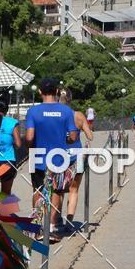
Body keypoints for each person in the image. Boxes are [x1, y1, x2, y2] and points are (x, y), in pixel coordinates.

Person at [25, 77, 79, 243]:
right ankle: (53, 227)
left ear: (40, 92)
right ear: (56, 91)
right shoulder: (66, 111)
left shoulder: (33, 112)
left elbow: (29, 136)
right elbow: (73, 135)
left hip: (38, 155)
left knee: (38, 190)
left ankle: (38, 226)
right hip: (59, 158)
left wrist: (31, 146)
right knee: (56, 191)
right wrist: (66, 141)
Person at [52, 88, 94, 233]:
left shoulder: (55, 116)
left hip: (58, 157)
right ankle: (70, 222)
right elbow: (90, 136)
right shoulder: (78, 115)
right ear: (70, 99)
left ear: (58, 98)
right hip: (77, 156)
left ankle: (57, 220)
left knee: (58, 190)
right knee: (73, 190)